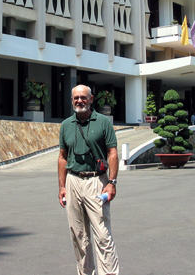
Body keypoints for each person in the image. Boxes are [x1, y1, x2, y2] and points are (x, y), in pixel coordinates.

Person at [58, 85, 119, 275]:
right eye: (76, 98)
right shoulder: (66, 124)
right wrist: (62, 186)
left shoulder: (102, 122)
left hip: (96, 182)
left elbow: (112, 153)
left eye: (83, 97)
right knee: (78, 235)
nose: (79, 101)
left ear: (91, 99)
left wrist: (112, 182)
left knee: (102, 235)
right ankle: (85, 272)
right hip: (73, 181)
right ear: (72, 100)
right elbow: (62, 157)